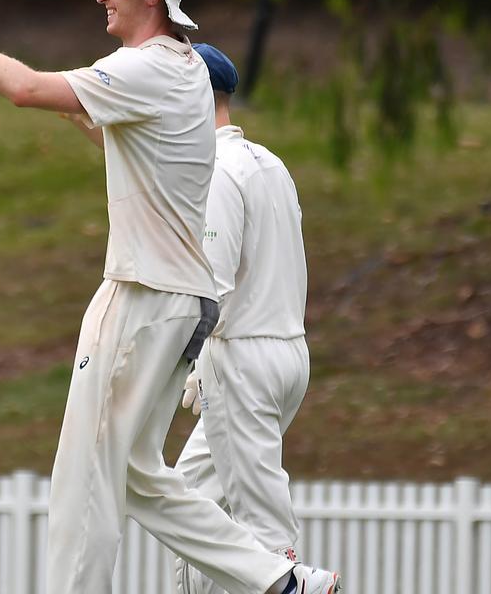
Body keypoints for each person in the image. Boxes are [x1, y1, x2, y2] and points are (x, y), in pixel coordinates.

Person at [0, 0, 341, 594]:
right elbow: (120, 135)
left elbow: (23, 90)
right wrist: (83, 109)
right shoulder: (188, 71)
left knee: (85, 478)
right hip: (181, 303)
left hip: (141, 296)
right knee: (137, 472)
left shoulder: (151, 68)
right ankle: (279, 579)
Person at [173, 44, 314, 593]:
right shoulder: (271, 164)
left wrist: (179, 365)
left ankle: (303, 584)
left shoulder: (218, 172)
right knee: (187, 503)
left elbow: (210, 290)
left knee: (263, 530)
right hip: (288, 354)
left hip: (242, 359)